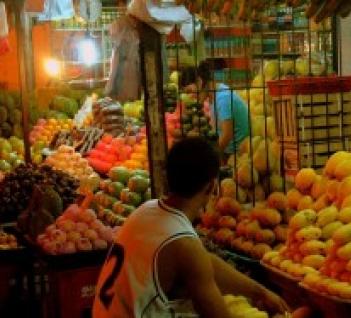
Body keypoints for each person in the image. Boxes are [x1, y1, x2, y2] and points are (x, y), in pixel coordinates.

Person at [92, 137, 288, 318]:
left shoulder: (146, 211)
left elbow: (205, 262)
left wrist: (259, 292)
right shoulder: (183, 245)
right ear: (212, 187)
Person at [180, 62, 249, 159]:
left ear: (199, 82)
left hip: (234, 155)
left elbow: (226, 136)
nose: (191, 96)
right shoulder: (214, 96)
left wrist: (209, 158)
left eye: (190, 91)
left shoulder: (223, 98)